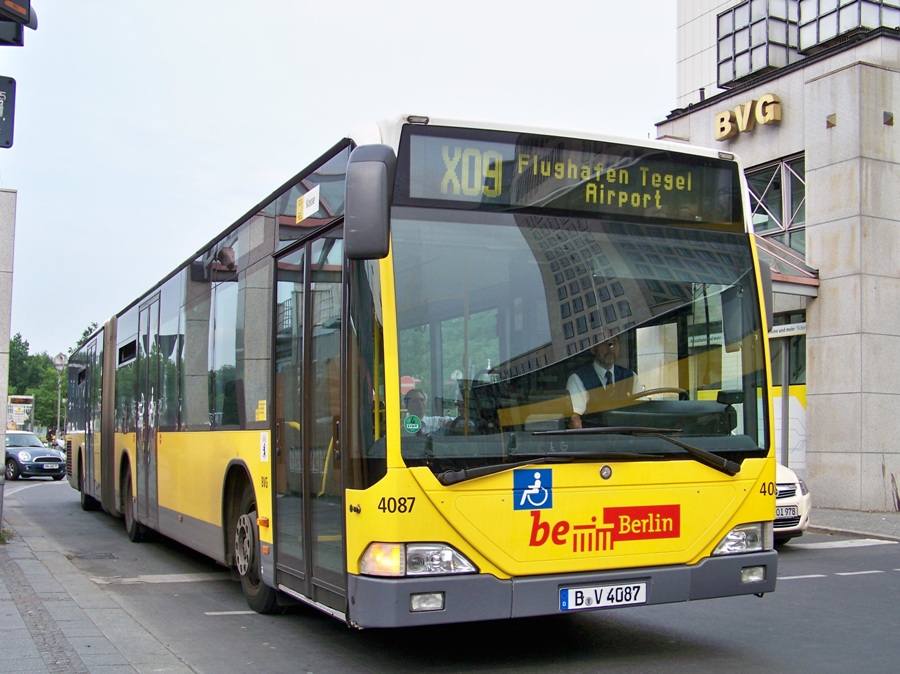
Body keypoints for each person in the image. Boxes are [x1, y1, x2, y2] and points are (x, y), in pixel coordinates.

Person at [566, 336, 639, 429]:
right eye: (604, 343)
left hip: (628, 439)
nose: (610, 348)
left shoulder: (630, 377)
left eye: (614, 343)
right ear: (593, 349)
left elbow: (644, 414)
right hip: (596, 440)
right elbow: (574, 420)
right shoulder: (578, 378)